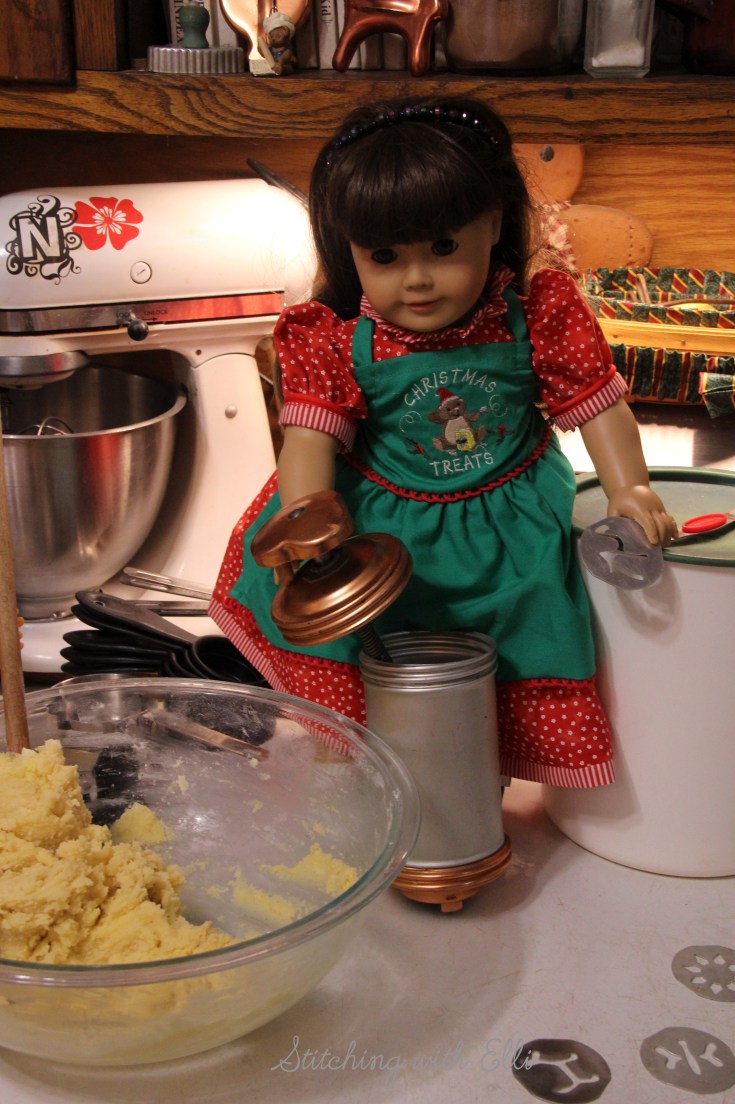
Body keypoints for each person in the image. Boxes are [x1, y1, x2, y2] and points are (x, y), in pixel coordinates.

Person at [210, 94, 677, 789]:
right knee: (363, 647)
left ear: (490, 224)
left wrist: (627, 486)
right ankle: (360, 774)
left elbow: (597, 408)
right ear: (352, 252)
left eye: (443, 247)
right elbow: (309, 439)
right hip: (381, 531)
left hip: (508, 531)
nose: (417, 277)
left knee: (522, 633)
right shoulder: (334, 341)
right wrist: (308, 516)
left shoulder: (538, 318)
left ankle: (474, 776)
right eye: (385, 256)